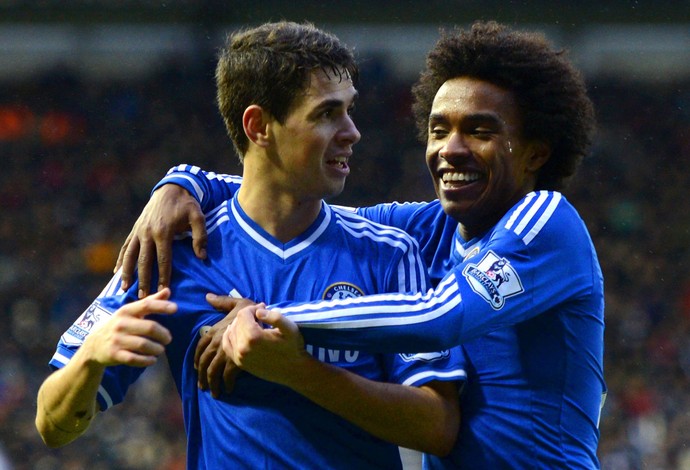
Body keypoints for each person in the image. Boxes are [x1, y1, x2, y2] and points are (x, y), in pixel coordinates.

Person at [117, 20, 606, 468]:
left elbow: (439, 318)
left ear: (536, 153)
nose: (450, 149)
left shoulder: (548, 225)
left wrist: (266, 318)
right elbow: (281, 193)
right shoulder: (430, 227)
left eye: (478, 131)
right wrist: (184, 183)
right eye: (439, 130)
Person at [36, 21, 464, 469]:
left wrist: (297, 369)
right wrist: (89, 359)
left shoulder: (388, 252)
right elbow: (52, 423)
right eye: (326, 114)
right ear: (259, 126)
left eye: (349, 110)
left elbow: (436, 426)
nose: (352, 132)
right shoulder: (175, 253)